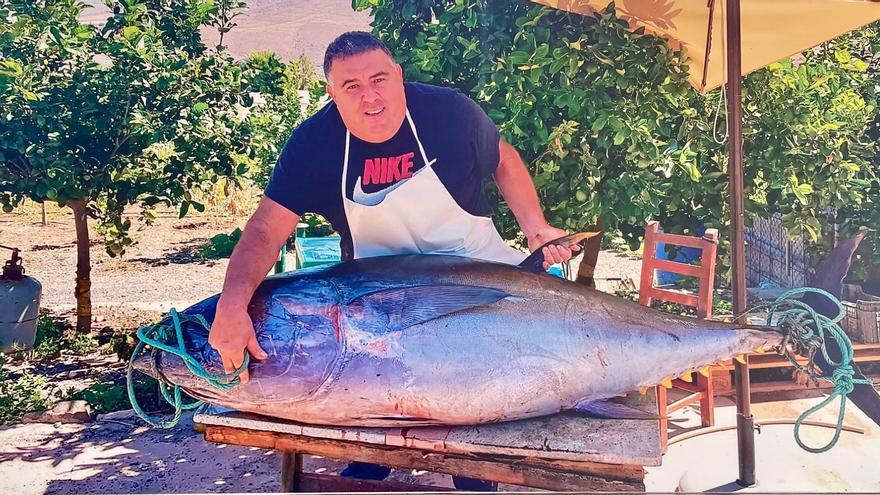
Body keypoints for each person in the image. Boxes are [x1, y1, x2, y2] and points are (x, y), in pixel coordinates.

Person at [208, 31, 578, 491]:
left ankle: (475, 478)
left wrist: (537, 227)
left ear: (399, 76)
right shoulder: (313, 145)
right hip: (380, 298)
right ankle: (368, 466)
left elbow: (504, 159)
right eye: (352, 86)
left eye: (379, 78)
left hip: (475, 280)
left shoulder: (450, 112)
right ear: (332, 94)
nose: (370, 96)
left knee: (473, 416)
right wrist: (231, 304)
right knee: (371, 407)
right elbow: (265, 228)